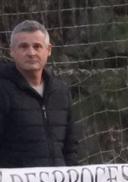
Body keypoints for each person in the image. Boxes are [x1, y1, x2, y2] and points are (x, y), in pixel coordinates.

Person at [0, 20, 77, 167]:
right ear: (12, 51)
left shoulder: (61, 92)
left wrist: (72, 179)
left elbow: (71, 147)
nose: (31, 52)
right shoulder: (3, 90)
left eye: (37, 46)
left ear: (48, 50)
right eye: (23, 46)